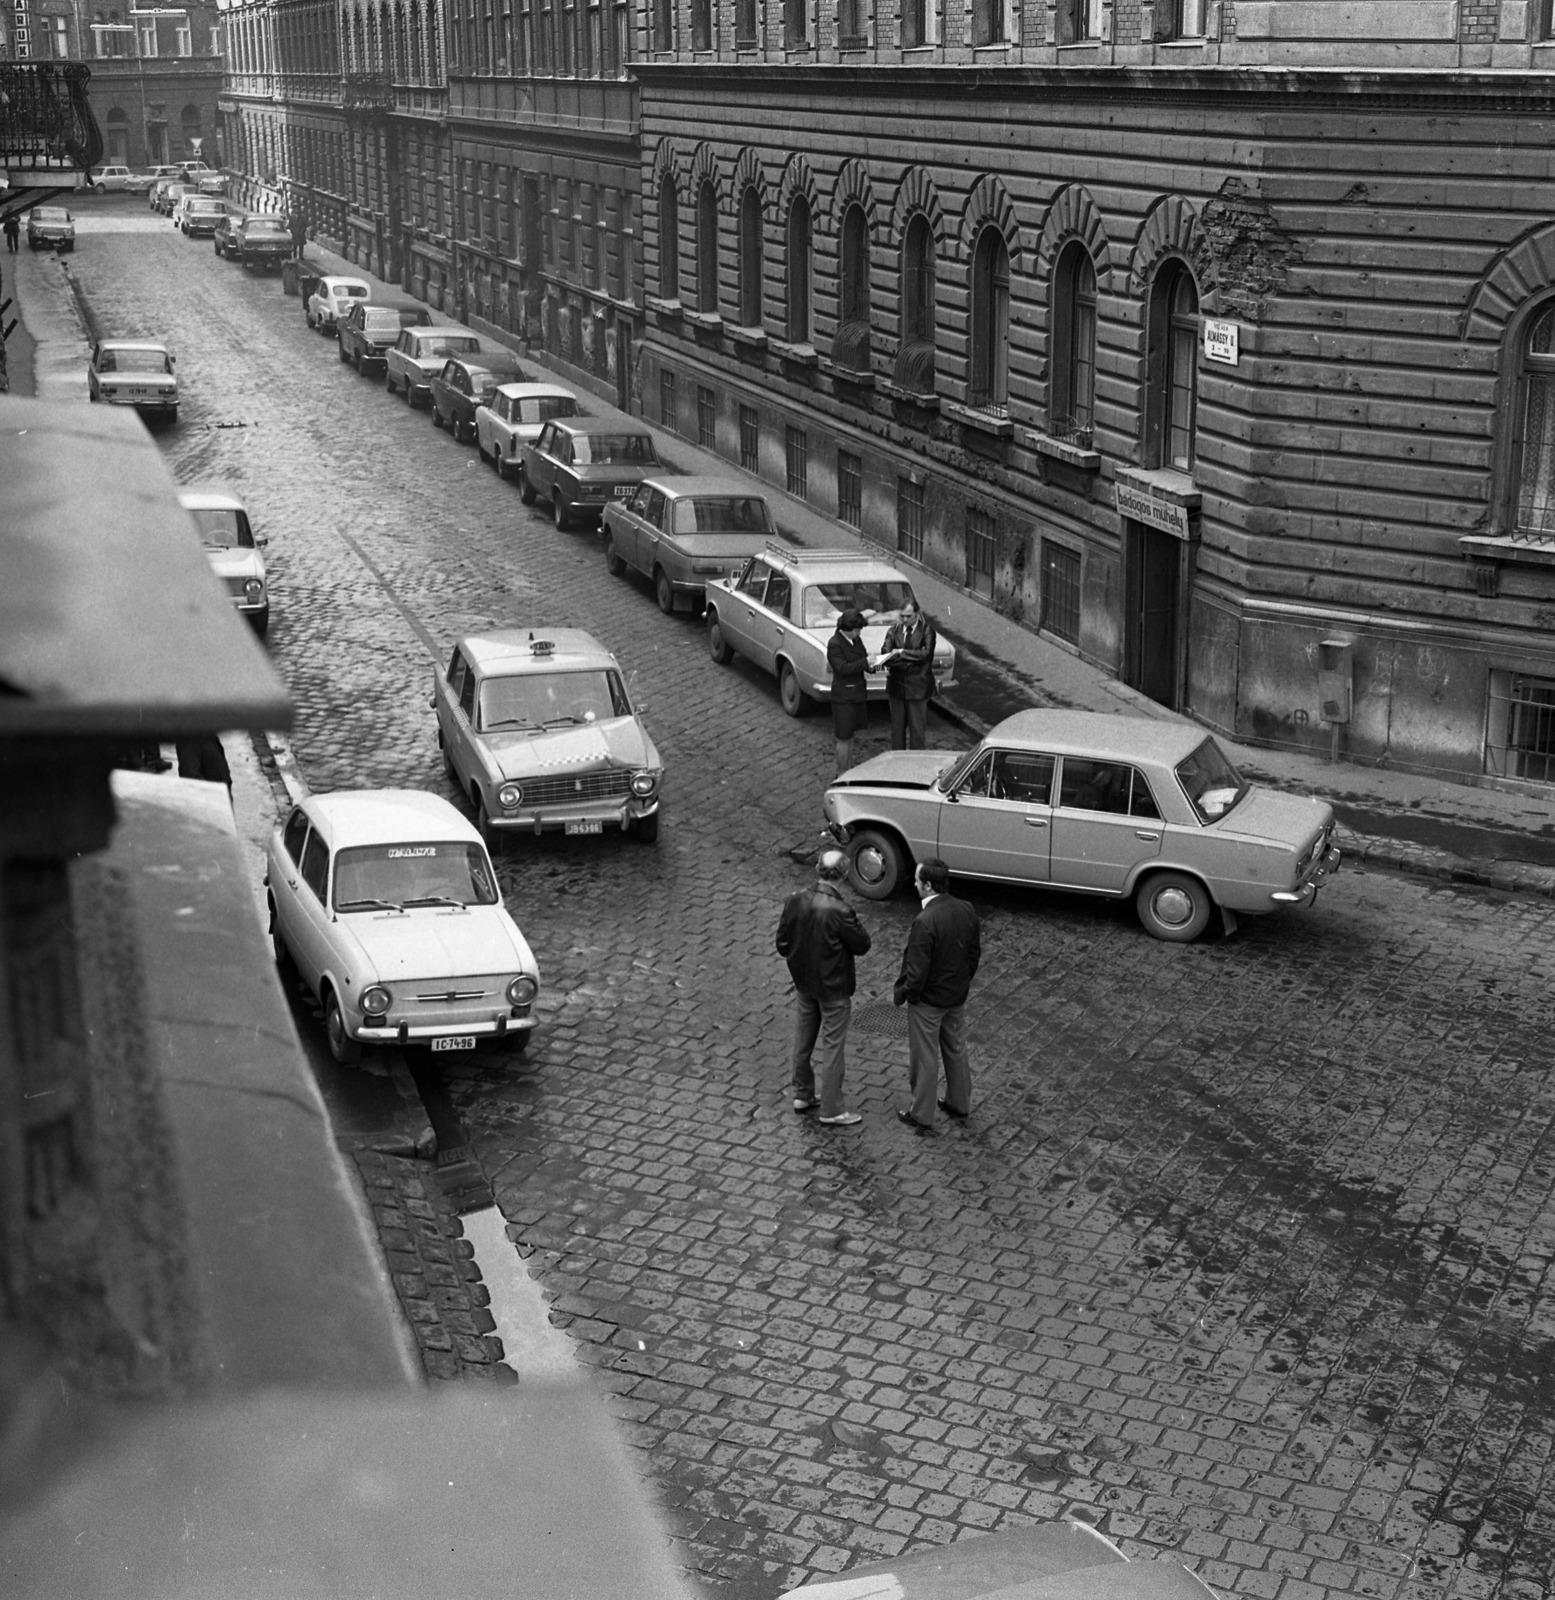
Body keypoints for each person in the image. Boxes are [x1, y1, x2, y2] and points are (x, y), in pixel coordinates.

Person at [775, 848, 871, 1128]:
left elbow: (782, 944)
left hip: (805, 983)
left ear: (817, 869)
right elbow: (862, 945)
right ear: (844, 874)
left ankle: (802, 1094)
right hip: (834, 989)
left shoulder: (795, 900)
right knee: (833, 1047)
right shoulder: (841, 911)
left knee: (803, 1039)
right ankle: (831, 1108)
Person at [892, 858, 980, 1132]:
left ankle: (921, 1113)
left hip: (928, 1002)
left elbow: (917, 972)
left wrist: (910, 994)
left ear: (928, 885)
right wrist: (961, 982)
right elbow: (973, 954)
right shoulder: (966, 909)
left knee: (925, 1056)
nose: (915, 884)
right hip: (955, 996)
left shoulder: (925, 921)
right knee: (956, 1049)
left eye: (918, 880)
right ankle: (959, 1103)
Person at [881, 599, 937, 751]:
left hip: (918, 687)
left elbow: (925, 654)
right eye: (902, 616)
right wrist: (908, 661)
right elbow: (886, 654)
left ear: (917, 614)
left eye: (908, 616)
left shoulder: (927, 631)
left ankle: (915, 764)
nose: (905, 619)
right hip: (897, 687)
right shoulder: (894, 630)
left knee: (917, 731)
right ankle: (897, 764)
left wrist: (901, 653)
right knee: (897, 731)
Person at [827, 607, 870, 775]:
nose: (859, 634)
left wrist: (873, 664)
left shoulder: (855, 640)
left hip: (857, 693)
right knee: (844, 736)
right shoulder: (835, 643)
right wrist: (866, 663)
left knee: (852, 734)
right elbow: (842, 668)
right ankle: (842, 772)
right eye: (857, 630)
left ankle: (849, 769)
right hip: (844, 696)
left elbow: (862, 657)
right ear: (848, 628)